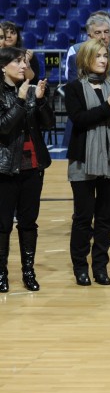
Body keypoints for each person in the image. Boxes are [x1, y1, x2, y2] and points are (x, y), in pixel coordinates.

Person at [64, 38, 110, 286]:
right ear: (85, 59)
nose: (103, 60)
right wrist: (108, 106)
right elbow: (80, 119)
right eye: (98, 56)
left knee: (104, 219)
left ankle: (100, 267)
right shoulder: (74, 88)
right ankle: (80, 267)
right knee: (83, 218)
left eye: (105, 56)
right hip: (83, 160)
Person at [63, 12, 110, 220]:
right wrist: (108, 101)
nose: (103, 36)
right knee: (84, 201)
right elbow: (75, 92)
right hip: (85, 129)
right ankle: (84, 213)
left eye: (107, 32)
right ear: (88, 35)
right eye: (98, 32)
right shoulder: (76, 57)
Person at [0, 46, 53, 292]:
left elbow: (48, 123)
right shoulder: (8, 93)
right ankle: (1, 273)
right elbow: (3, 127)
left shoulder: (30, 89)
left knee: (28, 222)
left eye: (24, 61)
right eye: (18, 62)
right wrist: (21, 101)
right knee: (3, 224)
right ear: (3, 67)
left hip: (32, 166)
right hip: (5, 168)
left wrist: (40, 101)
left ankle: (28, 272)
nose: (24, 66)